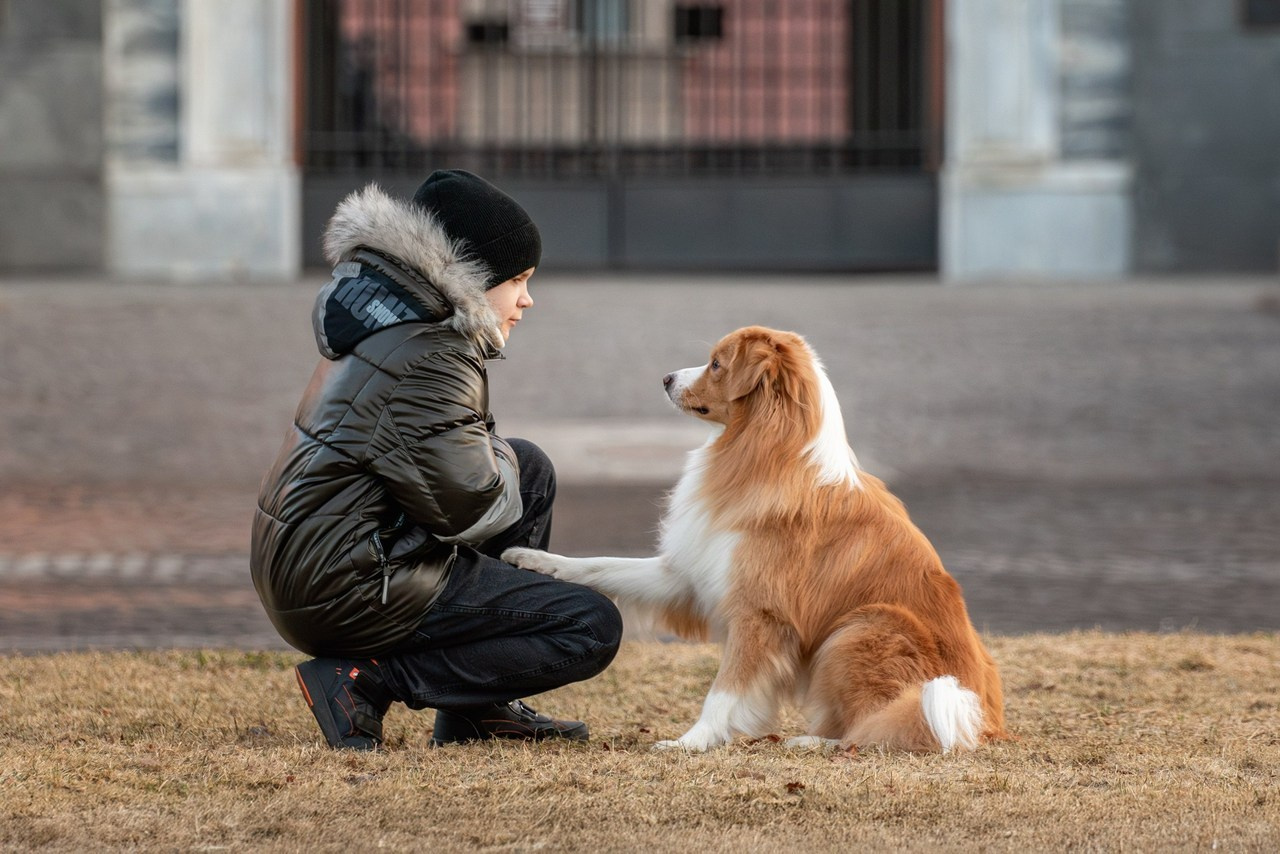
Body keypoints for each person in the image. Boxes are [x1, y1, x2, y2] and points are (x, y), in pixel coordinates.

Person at [251, 170, 623, 750]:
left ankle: (477, 711)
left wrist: (499, 454)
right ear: (474, 277)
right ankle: (366, 680)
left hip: (324, 566)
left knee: (532, 468)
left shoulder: (393, 325)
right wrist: (493, 449)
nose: (527, 299)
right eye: (518, 279)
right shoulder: (431, 354)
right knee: (589, 626)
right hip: (347, 585)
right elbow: (471, 508)